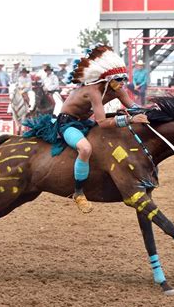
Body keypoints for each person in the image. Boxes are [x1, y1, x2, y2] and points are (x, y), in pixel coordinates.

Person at [56, 45, 149, 212]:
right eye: (118, 80)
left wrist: (154, 112)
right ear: (108, 79)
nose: (122, 83)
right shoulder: (93, 91)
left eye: (123, 79)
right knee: (85, 149)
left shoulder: (118, 89)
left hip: (84, 122)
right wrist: (130, 119)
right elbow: (102, 122)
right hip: (67, 123)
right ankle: (78, 193)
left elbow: (135, 108)